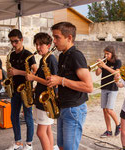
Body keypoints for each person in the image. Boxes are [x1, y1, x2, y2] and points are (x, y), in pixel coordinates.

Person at [47, 22, 93, 150]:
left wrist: (61, 80)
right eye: (53, 37)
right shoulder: (62, 55)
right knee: (61, 146)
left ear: (69, 38)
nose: (54, 41)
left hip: (74, 110)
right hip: (64, 107)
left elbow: (89, 86)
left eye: (57, 37)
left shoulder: (76, 55)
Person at [6, 29, 37, 150]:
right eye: (11, 42)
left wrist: (17, 72)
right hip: (15, 90)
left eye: (16, 41)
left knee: (28, 117)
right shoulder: (12, 55)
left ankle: (29, 144)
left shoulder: (28, 54)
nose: (13, 44)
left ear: (22, 39)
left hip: (26, 90)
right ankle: (18, 142)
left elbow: (35, 71)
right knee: (13, 116)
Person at [26, 32, 58, 150]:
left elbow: (53, 83)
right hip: (42, 99)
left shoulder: (51, 60)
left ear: (49, 45)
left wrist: (33, 78)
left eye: (41, 44)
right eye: (37, 44)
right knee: (48, 129)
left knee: (40, 132)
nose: (38, 47)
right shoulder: (44, 59)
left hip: (46, 101)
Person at [95, 46, 121, 138]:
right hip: (104, 87)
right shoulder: (104, 61)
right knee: (105, 110)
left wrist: (104, 66)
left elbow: (116, 73)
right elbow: (97, 73)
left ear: (112, 54)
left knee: (109, 109)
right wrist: (99, 66)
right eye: (105, 53)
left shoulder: (117, 62)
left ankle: (118, 125)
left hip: (113, 88)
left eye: (108, 54)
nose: (106, 55)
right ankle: (108, 130)